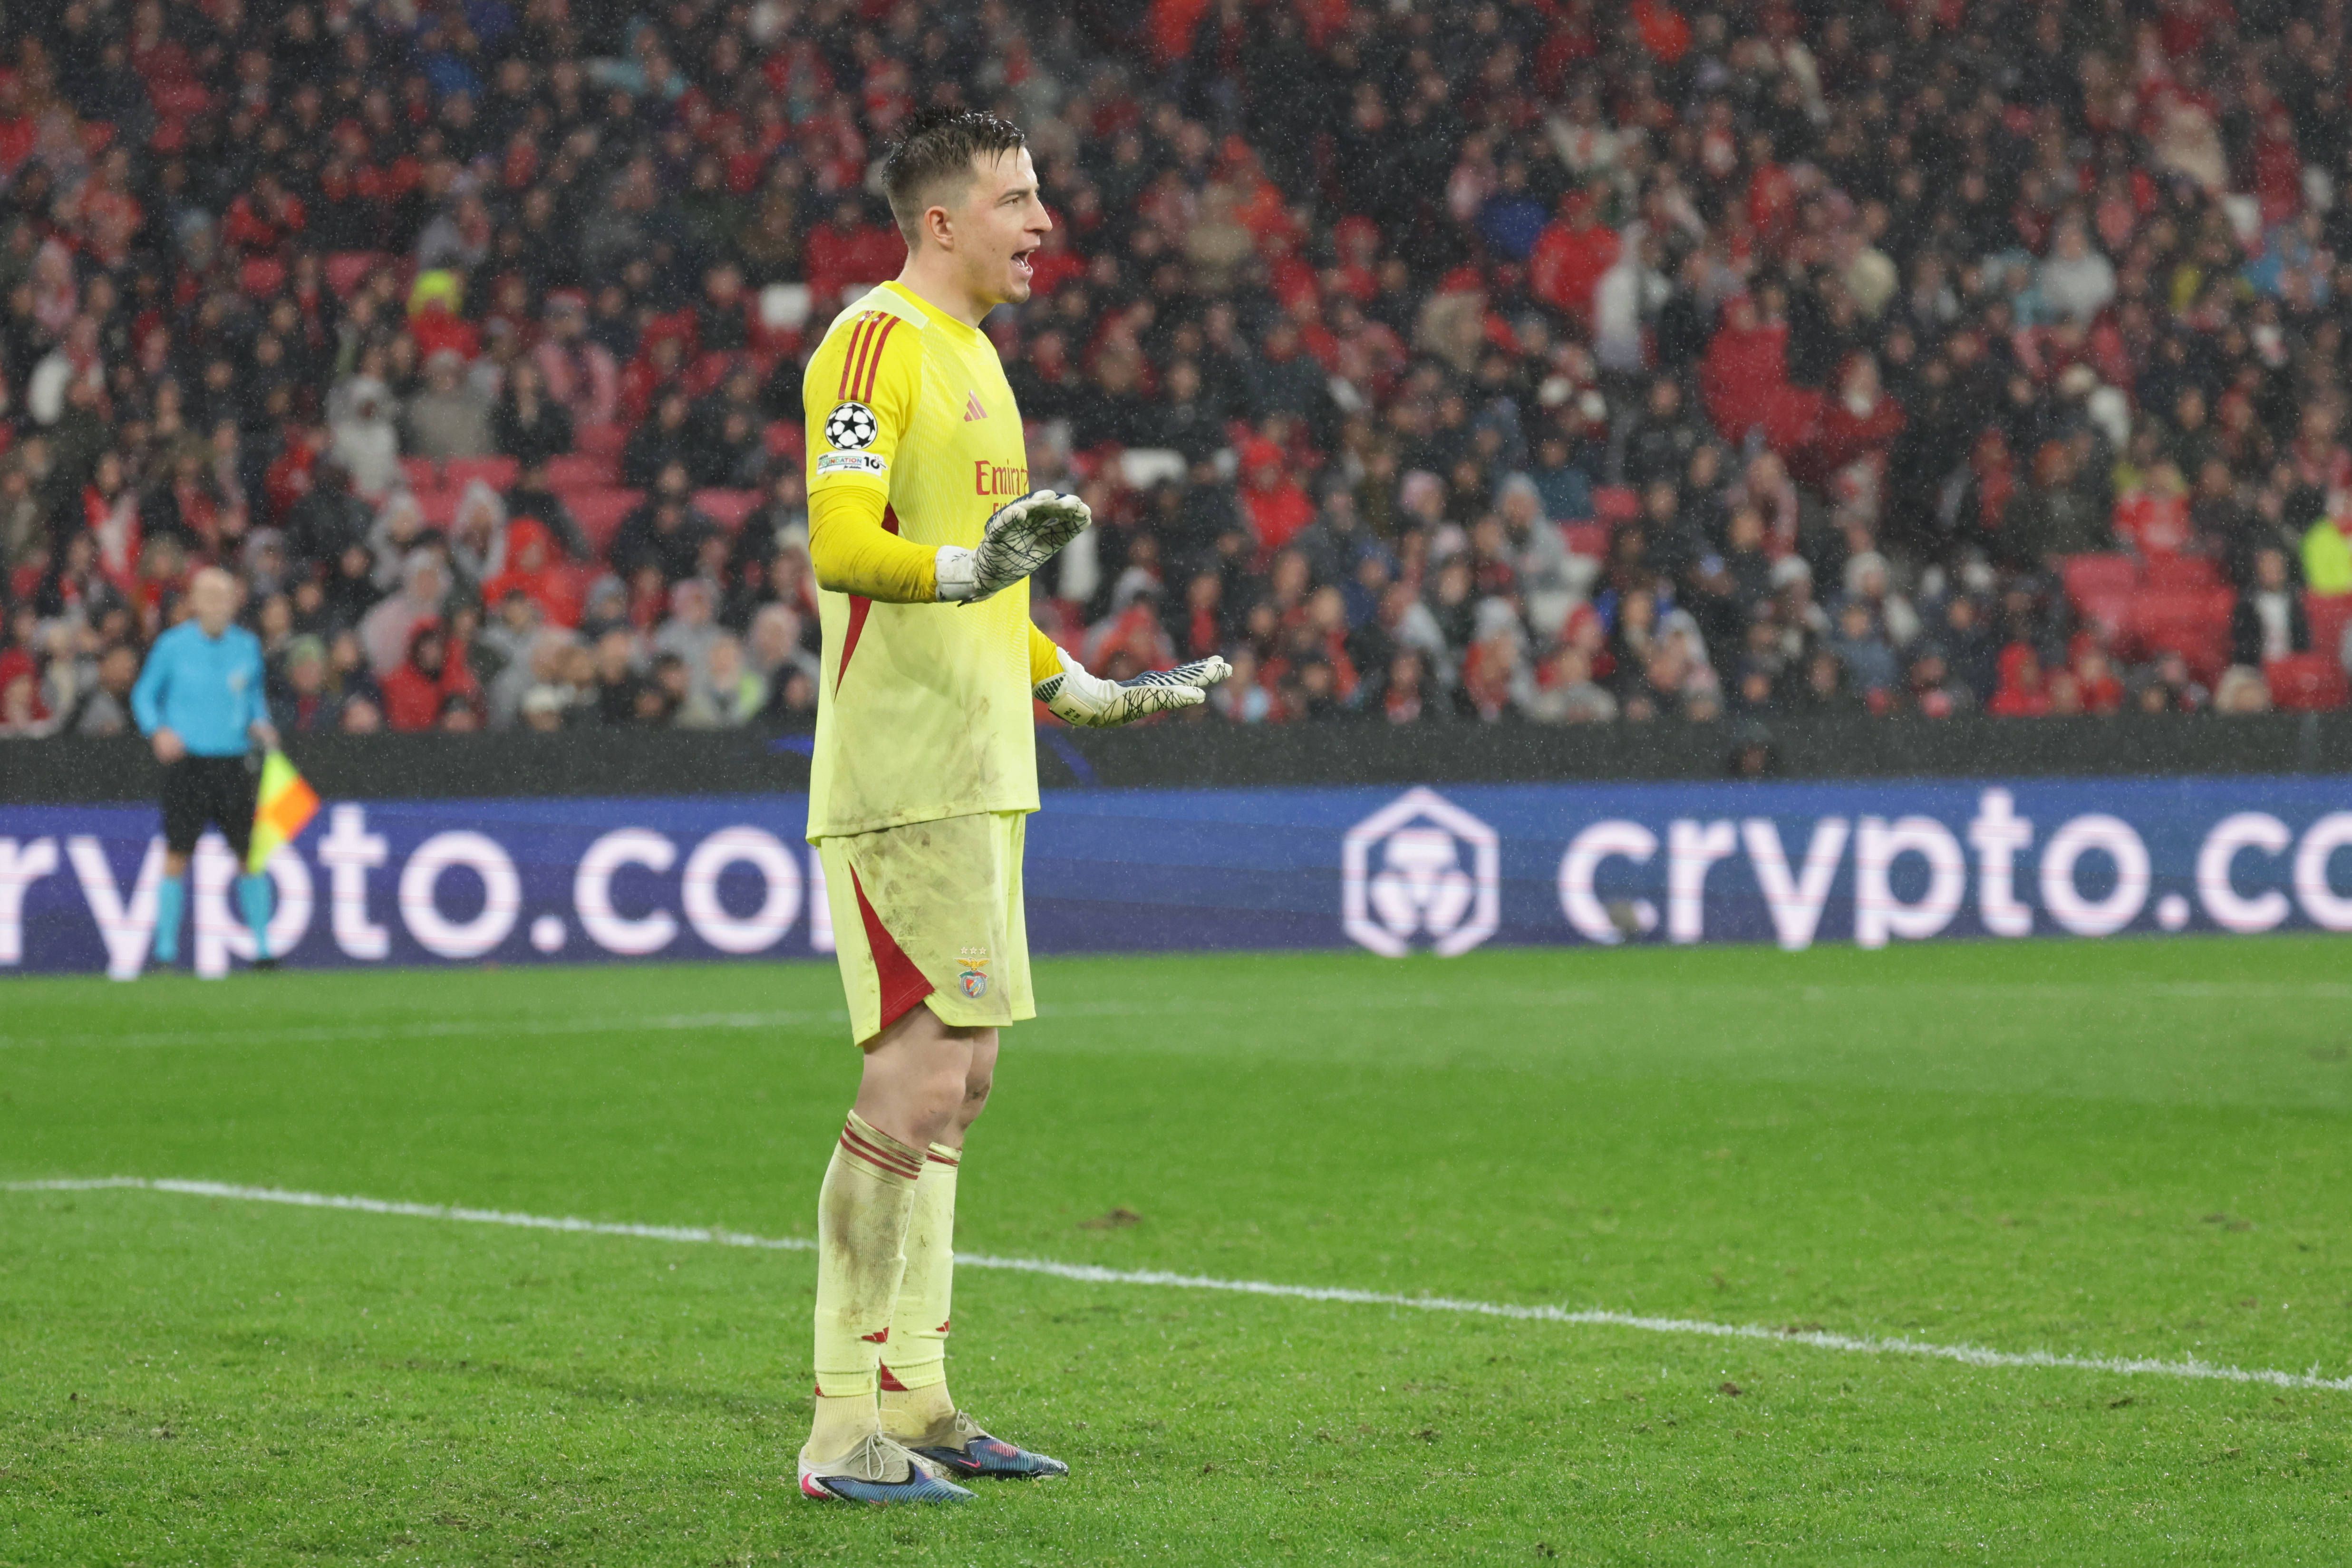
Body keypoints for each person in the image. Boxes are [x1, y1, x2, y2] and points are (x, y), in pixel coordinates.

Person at [791, 106, 1229, 1507]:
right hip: (901, 772)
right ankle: (838, 1424)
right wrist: (968, 570)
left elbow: (992, 584)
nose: (1041, 223)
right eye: (1016, 199)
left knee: (961, 1085)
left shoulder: (980, 358)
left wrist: (1082, 688)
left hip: (983, 772)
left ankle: (916, 1397)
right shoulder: (873, 344)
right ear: (939, 220)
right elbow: (846, 540)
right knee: (913, 1077)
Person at [128, 567, 281, 971]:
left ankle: (263, 949)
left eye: (224, 597)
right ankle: (164, 953)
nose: (217, 605)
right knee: (177, 854)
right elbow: (144, 694)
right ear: (194, 603)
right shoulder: (172, 646)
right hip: (189, 762)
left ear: (235, 602)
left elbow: (253, 698)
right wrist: (157, 730)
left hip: (234, 760)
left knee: (249, 854)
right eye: (209, 597)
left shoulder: (246, 646)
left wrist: (261, 723)